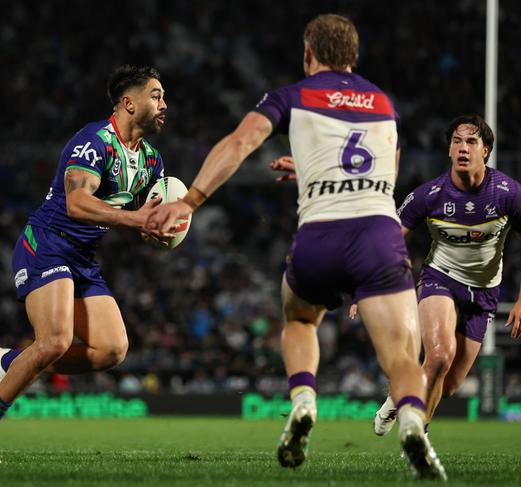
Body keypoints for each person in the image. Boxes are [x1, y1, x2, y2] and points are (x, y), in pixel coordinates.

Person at [146, 14, 446, 480]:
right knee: (403, 358)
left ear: (309, 53)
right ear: (354, 56)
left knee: (301, 318)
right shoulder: (384, 103)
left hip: (319, 236)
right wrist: (311, 170)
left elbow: (241, 141)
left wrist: (190, 200)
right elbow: (380, 174)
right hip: (378, 238)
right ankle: (411, 420)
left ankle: (304, 400)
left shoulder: (292, 96)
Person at [0, 65, 169, 463]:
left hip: (82, 258)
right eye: (155, 95)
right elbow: (77, 203)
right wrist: (138, 219)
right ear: (128, 102)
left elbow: (137, 212)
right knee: (54, 341)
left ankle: (8, 363)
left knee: (112, 349)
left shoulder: (153, 162)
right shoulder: (94, 141)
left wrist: (154, 228)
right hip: (48, 244)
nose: (164, 104)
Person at [369, 114, 521, 436]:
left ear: (486, 151)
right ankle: (416, 438)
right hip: (441, 277)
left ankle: (397, 397)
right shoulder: (430, 194)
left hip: (484, 292)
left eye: (471, 141)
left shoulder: (508, 193)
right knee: (438, 356)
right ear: (449, 151)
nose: (463, 148)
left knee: (449, 385)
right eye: (456, 141)